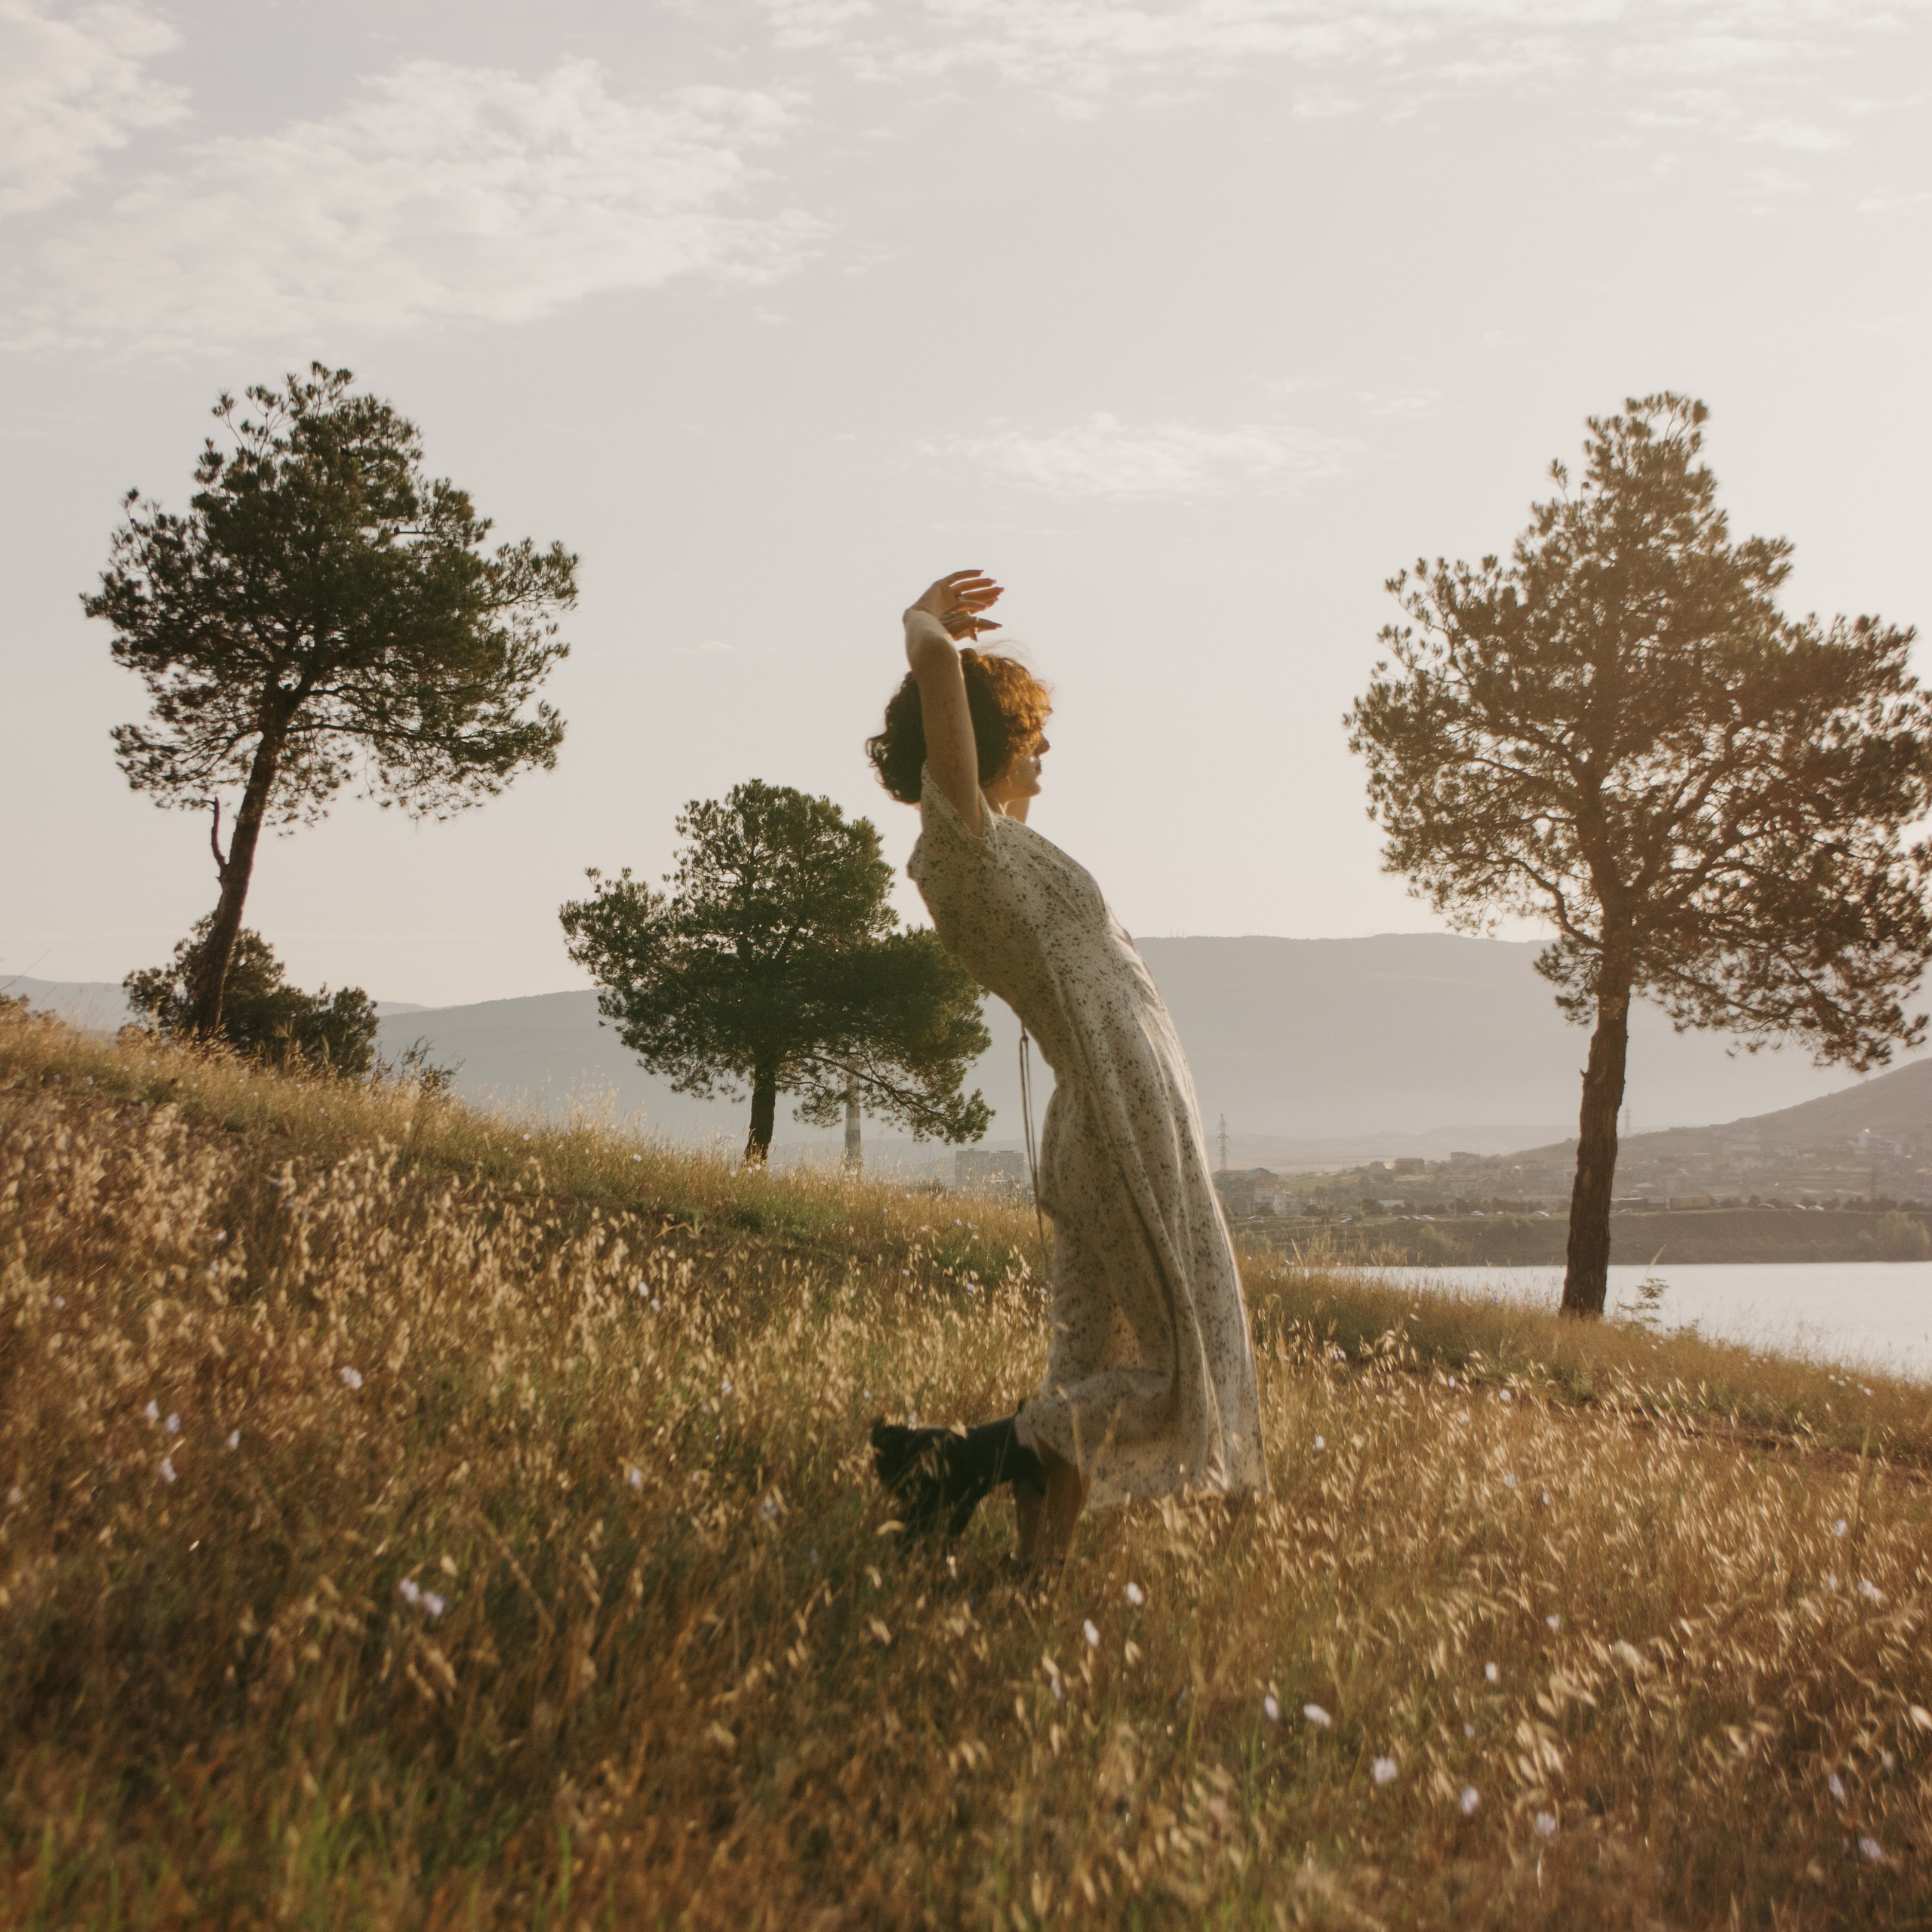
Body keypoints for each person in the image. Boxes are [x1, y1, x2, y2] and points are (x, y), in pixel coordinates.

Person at [866, 569, 1268, 1564]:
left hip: (1111, 1109)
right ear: (982, 744)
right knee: (1181, 1378)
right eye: (1030, 737)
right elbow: (933, 673)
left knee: (1086, 1363)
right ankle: (960, 1458)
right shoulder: (965, 847)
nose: (1045, 753)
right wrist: (924, 623)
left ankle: (1029, 1576)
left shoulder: (993, 849)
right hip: (1121, 1116)